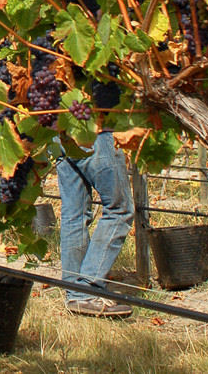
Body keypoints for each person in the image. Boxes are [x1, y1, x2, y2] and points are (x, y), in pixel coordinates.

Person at [57, 78, 143, 318]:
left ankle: (75, 294)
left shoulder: (51, 42)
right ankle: (87, 288)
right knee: (119, 210)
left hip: (60, 129)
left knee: (74, 213)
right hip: (97, 130)